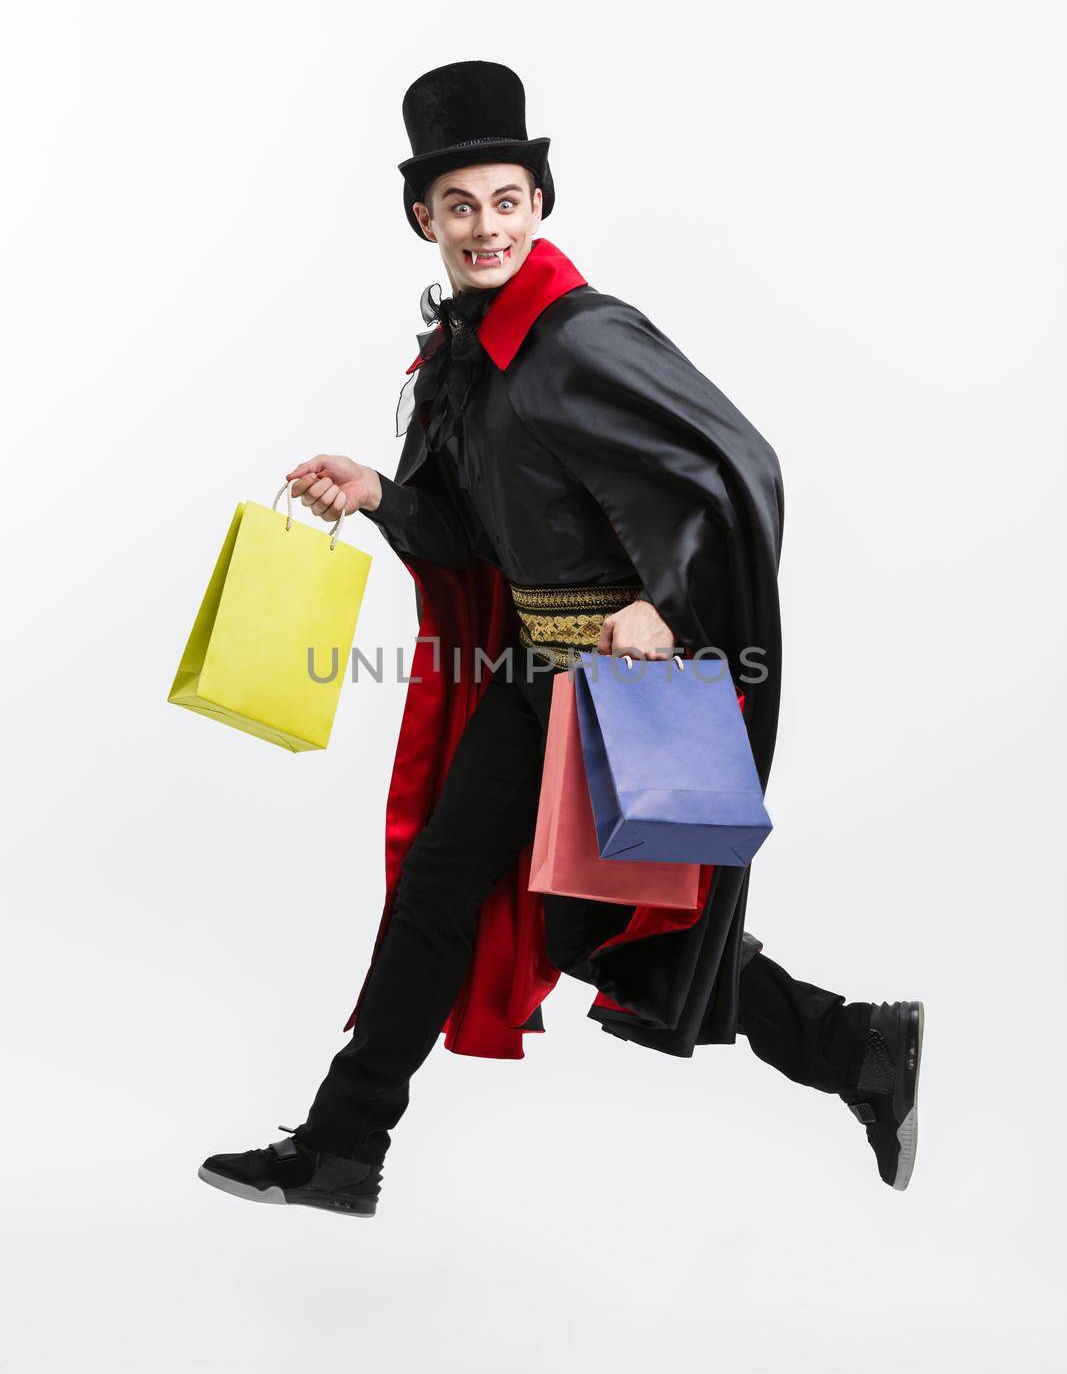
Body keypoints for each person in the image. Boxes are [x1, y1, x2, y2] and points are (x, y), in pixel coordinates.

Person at [198, 61, 924, 1219]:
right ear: (422, 219)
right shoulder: (468, 362)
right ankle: (342, 1146)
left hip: (612, 686)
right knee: (447, 891)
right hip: (532, 678)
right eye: (459, 206)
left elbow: (736, 468)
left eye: (505, 201)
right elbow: (469, 534)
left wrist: (670, 603)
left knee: (597, 937)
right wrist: (379, 488)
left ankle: (852, 1043)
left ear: (536, 205)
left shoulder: (578, 335)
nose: (484, 226)